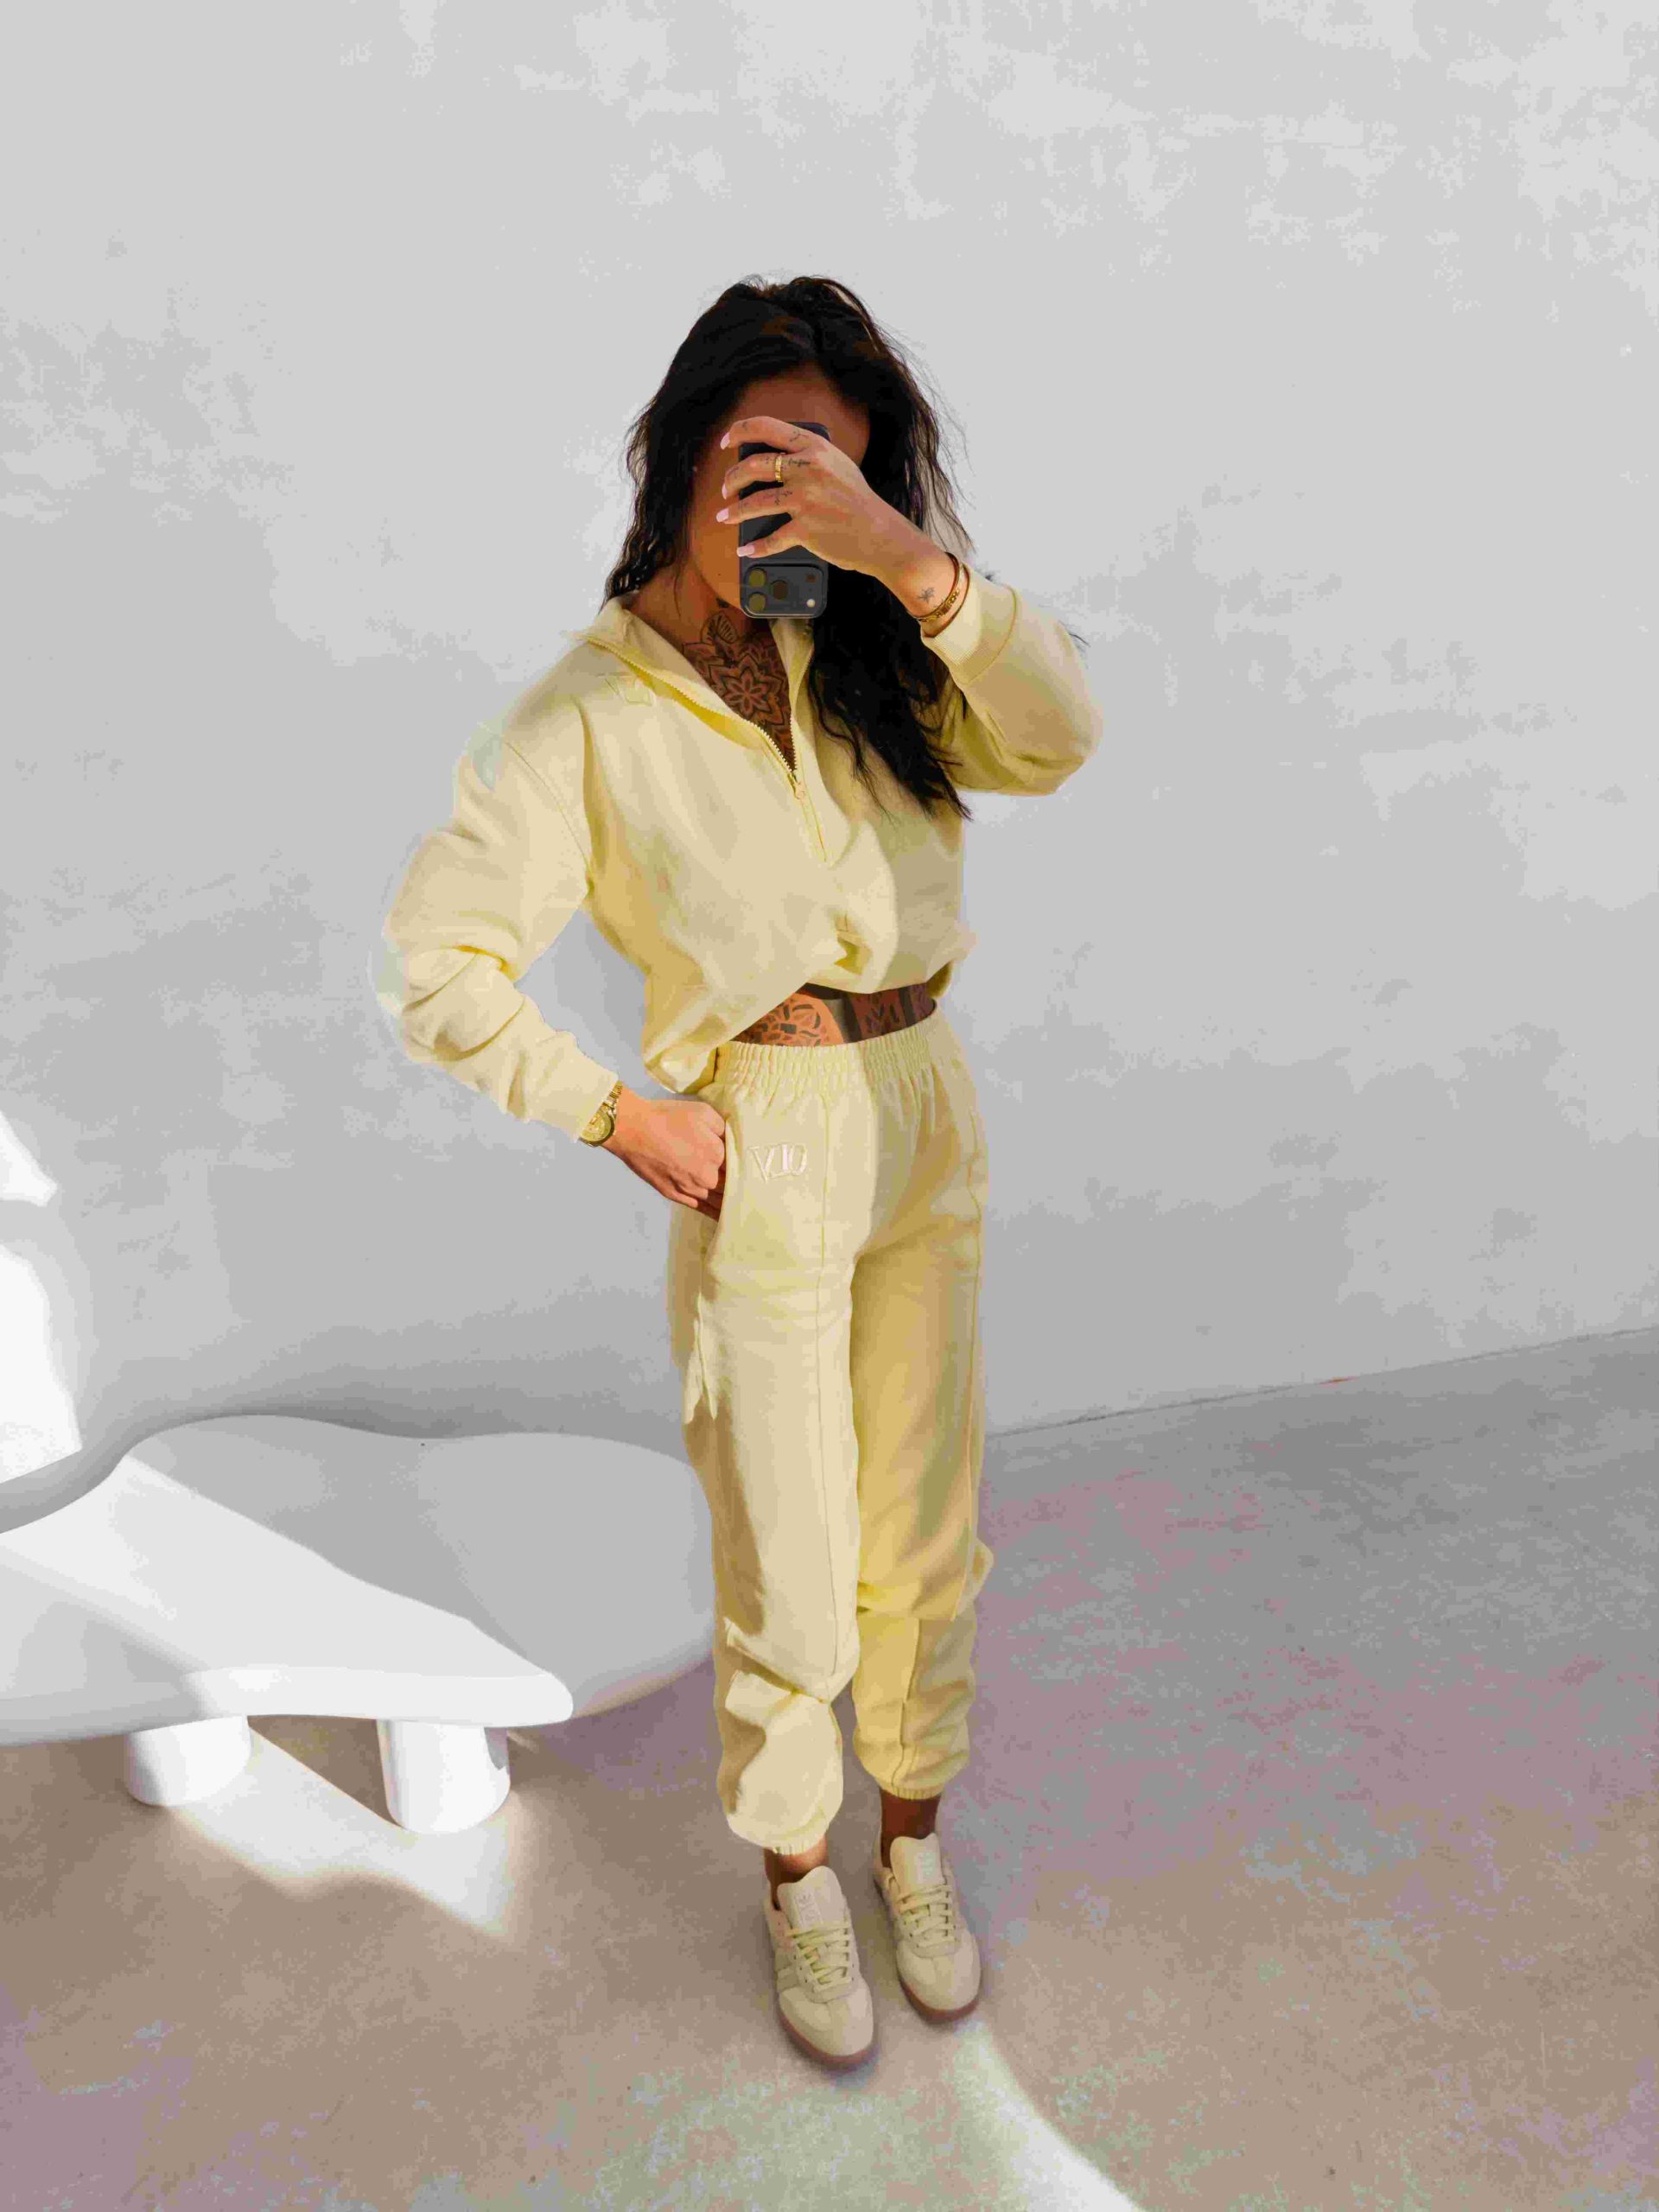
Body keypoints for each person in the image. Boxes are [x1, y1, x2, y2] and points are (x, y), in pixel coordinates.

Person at [377, 276, 1102, 2067]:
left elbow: (1059, 735)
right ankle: (796, 1876)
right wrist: (619, 1113)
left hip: (926, 1099)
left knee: (926, 1529)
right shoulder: (582, 715)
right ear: (681, 448)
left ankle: (910, 1842)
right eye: (760, 456)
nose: (786, 499)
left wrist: (908, 565)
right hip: (759, 1131)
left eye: (830, 467)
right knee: (789, 1545)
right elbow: (438, 963)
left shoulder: (875, 645)